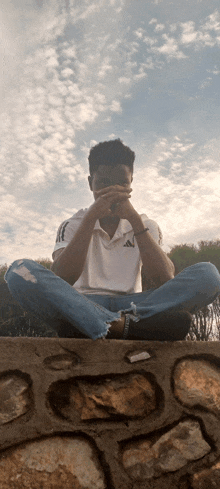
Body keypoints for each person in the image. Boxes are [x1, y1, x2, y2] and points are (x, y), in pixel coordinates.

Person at [4, 139, 220, 340]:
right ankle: (130, 326)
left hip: (135, 304)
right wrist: (91, 218)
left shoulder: (146, 224)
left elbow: (165, 278)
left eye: (122, 184)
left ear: (131, 183)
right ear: (91, 183)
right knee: (18, 271)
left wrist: (135, 221)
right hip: (83, 301)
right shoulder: (71, 224)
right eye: (104, 183)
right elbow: (63, 278)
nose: (113, 191)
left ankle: (97, 324)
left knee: (208, 275)